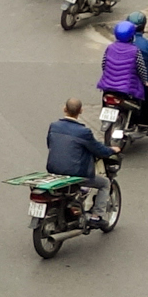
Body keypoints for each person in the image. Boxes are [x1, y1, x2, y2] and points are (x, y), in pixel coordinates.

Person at [46, 96, 113, 224]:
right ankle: (96, 216)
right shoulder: (84, 132)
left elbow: (50, 144)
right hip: (75, 174)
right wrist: (112, 150)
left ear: (64, 109)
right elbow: (99, 150)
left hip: (54, 170)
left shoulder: (54, 126)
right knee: (104, 183)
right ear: (81, 111)